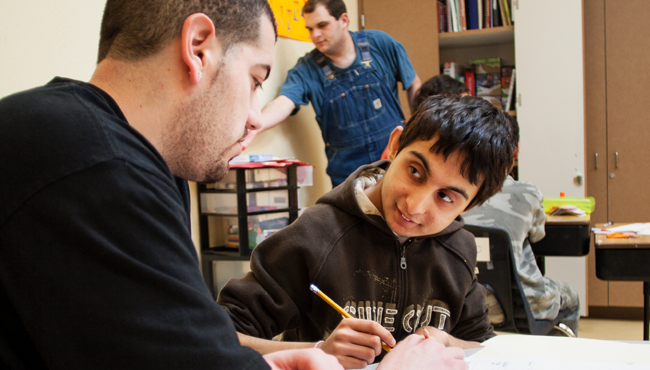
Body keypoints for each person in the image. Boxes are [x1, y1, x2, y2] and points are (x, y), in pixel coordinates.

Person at [0, 1, 467, 369]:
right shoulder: (94, 165)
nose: (252, 117)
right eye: (255, 79)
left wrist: (267, 362)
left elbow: (175, 347)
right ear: (198, 46)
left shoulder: (126, 159)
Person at [218, 95, 517, 369]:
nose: (414, 206)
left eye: (446, 197)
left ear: (471, 204)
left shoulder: (459, 249)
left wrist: (448, 342)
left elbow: (482, 345)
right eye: (415, 171)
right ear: (395, 145)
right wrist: (318, 351)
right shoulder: (316, 234)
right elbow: (219, 339)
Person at [241, 0, 422, 188]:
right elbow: (283, 103)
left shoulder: (380, 44)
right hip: (348, 177)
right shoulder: (306, 69)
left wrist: (421, 134)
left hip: (395, 161)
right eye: (310, 29)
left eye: (322, 25)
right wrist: (255, 125)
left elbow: (413, 83)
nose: (315, 35)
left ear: (343, 20)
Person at [462, 115, 580, 334]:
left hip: (469, 303)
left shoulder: (456, 196)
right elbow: (536, 236)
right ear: (516, 150)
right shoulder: (527, 193)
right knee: (570, 295)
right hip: (524, 305)